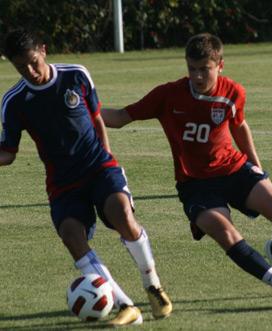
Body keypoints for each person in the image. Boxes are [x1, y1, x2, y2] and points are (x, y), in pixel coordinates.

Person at [102, 32, 272, 303]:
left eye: (204, 69)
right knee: (225, 232)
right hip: (195, 185)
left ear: (220, 65)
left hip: (234, 170)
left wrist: (257, 168)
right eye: (191, 69)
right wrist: (83, 110)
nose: (197, 77)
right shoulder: (168, 95)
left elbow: (239, 126)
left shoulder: (233, 92)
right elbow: (121, 117)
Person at [0, 28, 172, 326]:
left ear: (43, 50)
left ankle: (153, 285)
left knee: (123, 216)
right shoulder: (14, 101)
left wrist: (108, 160)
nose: (29, 71)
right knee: (71, 235)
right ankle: (124, 305)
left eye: (32, 62)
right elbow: (8, 152)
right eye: (20, 67)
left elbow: (96, 119)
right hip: (62, 182)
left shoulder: (76, 75)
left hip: (98, 166)